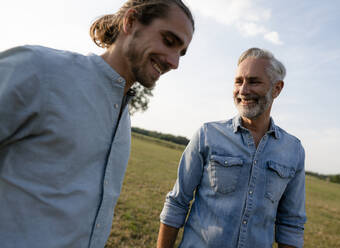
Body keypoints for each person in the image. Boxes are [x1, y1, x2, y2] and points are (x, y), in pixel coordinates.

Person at [0, 0, 194, 247]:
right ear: (131, 21)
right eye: (168, 41)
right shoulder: (39, 70)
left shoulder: (122, 116)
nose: (174, 62)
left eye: (181, 52)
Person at [157, 48, 306, 248]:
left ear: (277, 88)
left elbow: (291, 224)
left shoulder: (293, 150)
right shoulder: (207, 135)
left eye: (254, 81)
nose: (243, 90)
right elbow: (177, 203)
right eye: (238, 81)